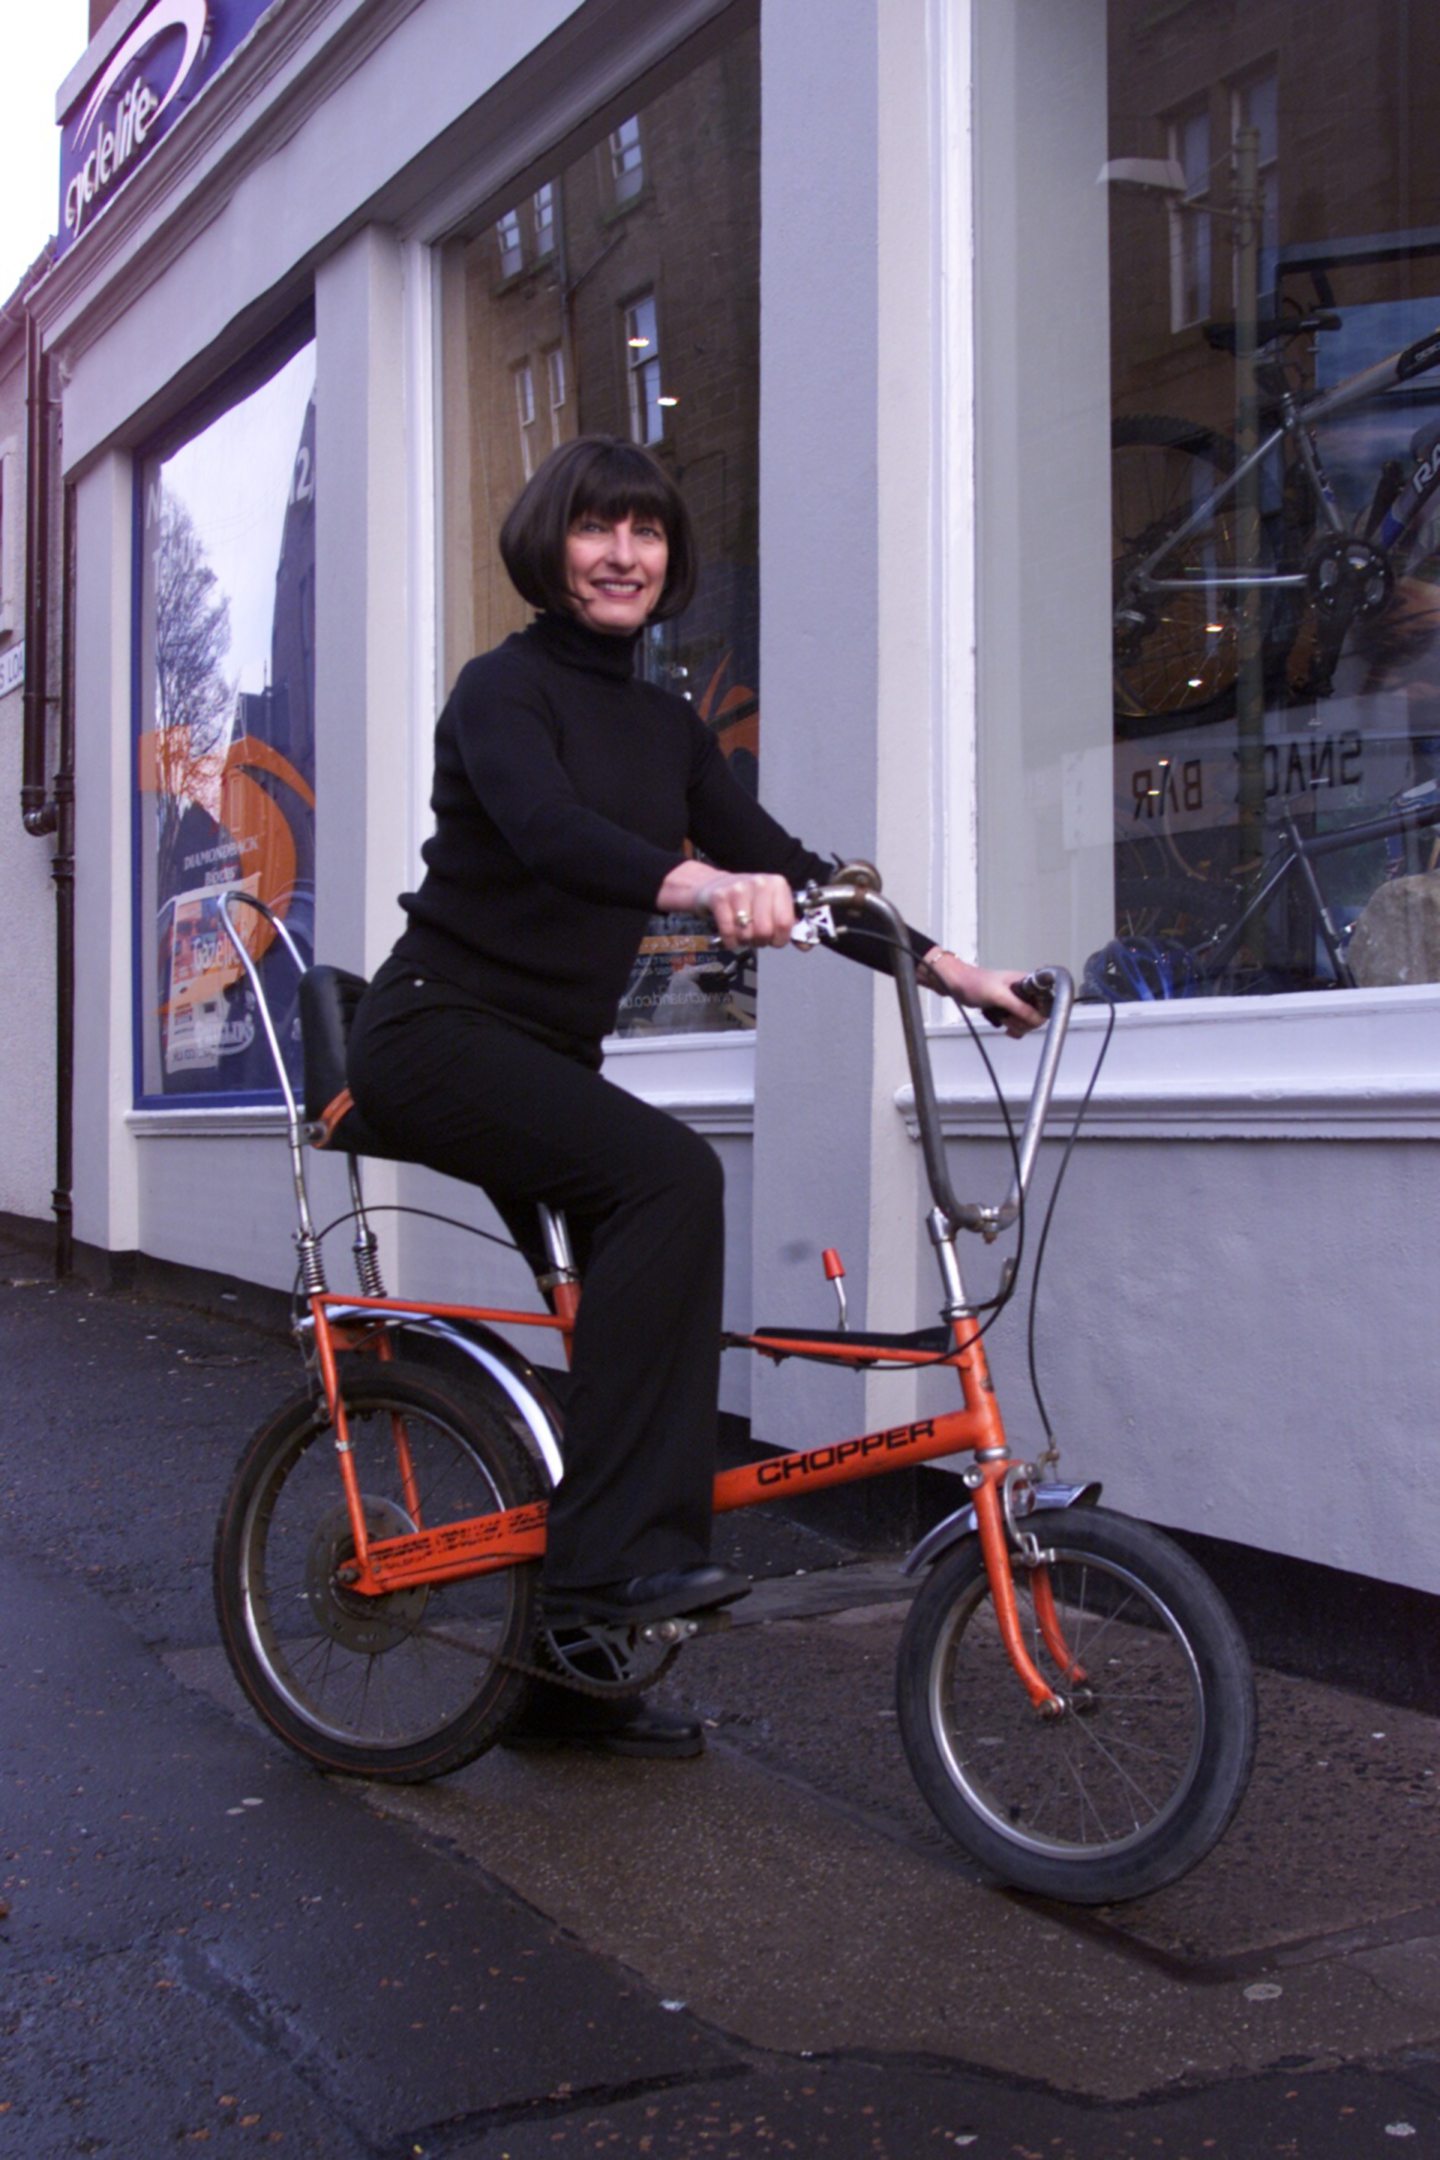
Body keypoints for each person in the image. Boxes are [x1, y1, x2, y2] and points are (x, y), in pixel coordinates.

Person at [347, 435, 1042, 1759]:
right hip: (438, 1033)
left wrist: (957, 970)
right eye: (596, 530)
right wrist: (694, 886)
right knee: (673, 1177)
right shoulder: (500, 692)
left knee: (625, 1316)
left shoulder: (667, 728)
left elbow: (793, 870)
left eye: (647, 534)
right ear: (551, 548)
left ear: (670, 562)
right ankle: (620, 1567)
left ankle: (575, 1676)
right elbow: (553, 835)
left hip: (548, 1060)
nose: (622, 555)